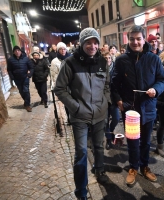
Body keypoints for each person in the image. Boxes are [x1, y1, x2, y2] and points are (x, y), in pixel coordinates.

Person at [54, 27, 111, 199]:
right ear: (81, 43)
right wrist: (76, 107)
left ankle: (99, 169)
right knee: (81, 153)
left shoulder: (102, 62)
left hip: (100, 114)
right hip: (80, 117)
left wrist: (105, 102)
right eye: (88, 42)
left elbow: (107, 85)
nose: (92, 46)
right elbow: (60, 89)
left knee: (99, 145)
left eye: (95, 42)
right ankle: (81, 191)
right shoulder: (70, 63)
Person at [111, 25, 164, 186]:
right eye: (132, 39)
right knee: (132, 141)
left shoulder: (154, 58)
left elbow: (162, 80)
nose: (135, 42)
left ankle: (144, 166)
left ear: (144, 39)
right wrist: (119, 100)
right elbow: (114, 83)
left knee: (147, 141)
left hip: (148, 107)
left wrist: (155, 90)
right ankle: (133, 167)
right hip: (130, 109)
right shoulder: (121, 60)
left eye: (138, 38)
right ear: (128, 40)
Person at [7, 46, 34, 112]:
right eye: (15, 51)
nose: (17, 52)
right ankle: (26, 101)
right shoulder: (11, 60)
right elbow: (9, 70)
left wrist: (29, 75)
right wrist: (12, 77)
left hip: (25, 77)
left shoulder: (26, 59)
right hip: (17, 79)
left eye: (18, 50)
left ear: (20, 51)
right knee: (21, 91)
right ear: (13, 52)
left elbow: (32, 68)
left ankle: (27, 105)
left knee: (26, 91)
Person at [103, 52, 120, 150]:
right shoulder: (100, 69)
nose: (108, 59)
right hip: (104, 100)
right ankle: (109, 139)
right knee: (105, 122)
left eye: (109, 57)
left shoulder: (115, 69)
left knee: (116, 118)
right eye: (106, 58)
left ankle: (111, 131)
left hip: (113, 100)